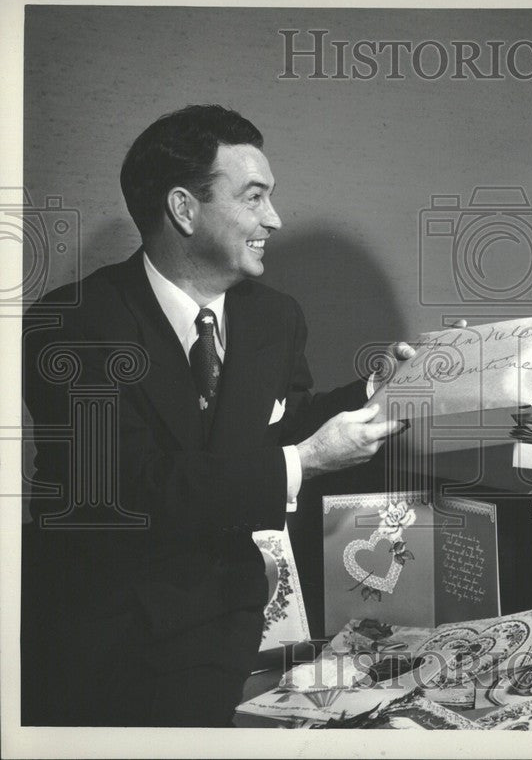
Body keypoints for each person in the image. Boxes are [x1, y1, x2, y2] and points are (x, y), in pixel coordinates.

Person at [21, 105, 414, 726]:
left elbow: (273, 431)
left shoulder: (274, 317)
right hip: (105, 642)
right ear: (183, 209)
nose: (274, 220)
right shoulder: (71, 326)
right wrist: (305, 461)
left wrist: (373, 389)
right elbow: (129, 488)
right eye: (254, 198)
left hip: (227, 626)